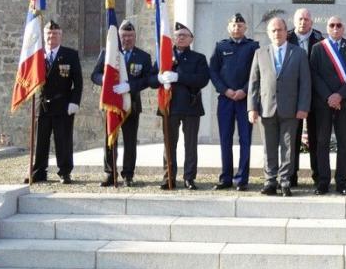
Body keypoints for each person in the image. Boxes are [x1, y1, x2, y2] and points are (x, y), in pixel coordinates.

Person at [248, 17, 311, 197]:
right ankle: (270, 181)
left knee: (288, 147)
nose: (277, 33)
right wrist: (252, 108)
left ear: (286, 32)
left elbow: (305, 83)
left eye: (280, 30)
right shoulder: (260, 53)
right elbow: (254, 82)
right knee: (268, 147)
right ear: (269, 33)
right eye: (273, 30)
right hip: (266, 108)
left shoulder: (298, 53)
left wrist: (303, 107)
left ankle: (285, 181)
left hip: (291, 110)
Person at [90, 20, 152, 187]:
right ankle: (110, 173)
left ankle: (128, 174)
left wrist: (130, 86)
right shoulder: (108, 53)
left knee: (130, 141)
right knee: (110, 140)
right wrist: (104, 79)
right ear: (118, 37)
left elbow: (147, 80)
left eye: (130, 36)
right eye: (124, 36)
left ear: (135, 37)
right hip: (112, 104)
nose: (127, 39)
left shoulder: (143, 57)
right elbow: (94, 75)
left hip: (131, 104)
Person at [151, 22, 210, 190]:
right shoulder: (164, 57)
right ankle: (168, 177)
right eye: (178, 35)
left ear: (191, 39)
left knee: (190, 145)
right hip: (170, 106)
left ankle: (189, 178)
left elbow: (202, 80)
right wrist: (159, 79)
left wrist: (179, 76)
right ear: (173, 39)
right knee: (169, 144)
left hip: (191, 106)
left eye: (185, 35)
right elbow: (151, 80)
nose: (181, 38)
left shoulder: (199, 58)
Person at [25, 20, 83, 184]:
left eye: (56, 34)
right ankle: (38, 172)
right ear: (44, 36)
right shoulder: (37, 55)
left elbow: (78, 82)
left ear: (61, 36)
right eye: (49, 34)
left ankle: (65, 172)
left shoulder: (70, 54)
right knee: (40, 140)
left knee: (63, 140)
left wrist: (75, 102)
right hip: (42, 103)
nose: (52, 37)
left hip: (63, 103)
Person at [309, 16, 346, 195]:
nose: (336, 28)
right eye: (332, 25)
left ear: (343, 28)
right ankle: (323, 182)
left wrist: (340, 95)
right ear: (327, 28)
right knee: (322, 142)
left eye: (339, 25)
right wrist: (329, 97)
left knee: (343, 142)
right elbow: (314, 75)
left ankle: (341, 182)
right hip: (323, 104)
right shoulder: (317, 48)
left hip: (344, 103)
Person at [209, 13, 259, 192]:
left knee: (245, 139)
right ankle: (226, 178)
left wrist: (244, 90)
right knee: (225, 139)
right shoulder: (220, 46)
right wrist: (226, 90)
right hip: (226, 100)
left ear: (245, 28)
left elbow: (256, 72)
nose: (237, 28)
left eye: (240, 25)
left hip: (246, 100)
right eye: (234, 25)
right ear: (228, 28)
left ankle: (242, 179)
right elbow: (213, 72)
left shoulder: (253, 46)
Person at [287, 8, 323, 186]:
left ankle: (318, 176)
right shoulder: (285, 38)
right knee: (292, 138)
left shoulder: (320, 39)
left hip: (315, 96)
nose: (303, 22)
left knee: (316, 138)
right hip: (292, 96)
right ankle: (291, 176)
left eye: (307, 19)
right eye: (300, 19)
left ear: (312, 22)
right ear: (294, 21)